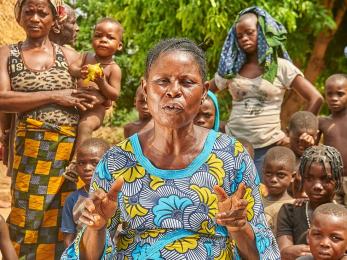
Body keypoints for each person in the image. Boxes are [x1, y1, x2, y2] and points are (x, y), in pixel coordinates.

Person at [61, 38, 280, 259]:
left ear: (204, 91)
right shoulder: (117, 161)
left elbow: (260, 253)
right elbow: (88, 256)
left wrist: (238, 227)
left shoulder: (231, 156)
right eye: (163, 81)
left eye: (186, 82)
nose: (173, 91)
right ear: (146, 89)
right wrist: (96, 228)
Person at [0, 0, 100, 258]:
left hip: (66, 153)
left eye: (41, 13)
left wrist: (92, 101)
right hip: (30, 151)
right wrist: (55, 96)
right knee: (27, 215)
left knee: (63, 218)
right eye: (28, 12)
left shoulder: (69, 56)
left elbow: (90, 98)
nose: (34, 18)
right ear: (19, 16)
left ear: (54, 19)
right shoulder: (7, 53)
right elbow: (2, 99)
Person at [210, 6, 323, 177]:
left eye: (249, 33)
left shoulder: (280, 67)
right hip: (234, 146)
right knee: (235, 198)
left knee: (264, 198)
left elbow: (316, 98)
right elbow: (203, 93)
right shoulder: (232, 69)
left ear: (262, 33)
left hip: (269, 147)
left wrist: (302, 132)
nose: (244, 39)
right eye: (239, 36)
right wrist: (219, 124)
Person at [64, 17, 123, 182]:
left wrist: (101, 82)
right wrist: (79, 72)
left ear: (119, 45)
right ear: (92, 39)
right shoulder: (85, 57)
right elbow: (71, 68)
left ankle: (76, 164)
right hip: (77, 102)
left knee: (85, 126)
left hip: (96, 109)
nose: (103, 40)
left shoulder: (114, 69)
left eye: (110, 38)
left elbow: (114, 94)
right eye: (98, 36)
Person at [276, 145, 343, 260]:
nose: (317, 186)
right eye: (309, 178)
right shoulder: (290, 211)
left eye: (325, 179)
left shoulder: (344, 217)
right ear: (302, 179)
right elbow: (285, 252)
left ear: (336, 181)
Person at [61, 138, 110, 248]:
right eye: (81, 163)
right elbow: (69, 238)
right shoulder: (73, 200)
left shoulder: (120, 196)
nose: (87, 168)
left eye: (94, 163)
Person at [319, 74, 347, 206]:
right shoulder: (322, 122)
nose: (334, 98)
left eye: (340, 94)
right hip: (332, 180)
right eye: (329, 94)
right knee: (335, 216)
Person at [262, 146, 295, 235]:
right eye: (268, 173)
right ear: (263, 172)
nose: (273, 179)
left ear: (293, 176)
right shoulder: (256, 202)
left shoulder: (294, 206)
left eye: (280, 175)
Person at [288, 111, 318, 198]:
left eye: (310, 137)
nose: (303, 142)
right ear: (287, 132)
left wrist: (309, 152)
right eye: (298, 140)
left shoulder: (321, 158)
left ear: (317, 135)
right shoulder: (280, 156)